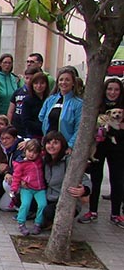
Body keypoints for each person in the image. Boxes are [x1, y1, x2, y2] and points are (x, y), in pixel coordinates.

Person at [78, 78, 124, 224]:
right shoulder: (98, 106)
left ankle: (116, 213)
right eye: (110, 89)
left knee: (117, 180)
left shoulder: (122, 107)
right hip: (98, 148)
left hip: (118, 149)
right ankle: (92, 211)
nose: (112, 92)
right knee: (96, 179)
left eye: (116, 89)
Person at [41, 131, 91, 228]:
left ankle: (55, 221)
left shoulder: (69, 160)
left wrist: (84, 190)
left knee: (48, 212)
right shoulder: (45, 160)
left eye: (55, 143)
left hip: (65, 200)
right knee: (21, 200)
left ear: (62, 145)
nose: (51, 146)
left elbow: (85, 179)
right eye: (48, 143)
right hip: (49, 197)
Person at [38, 67, 83, 148]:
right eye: (61, 79)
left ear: (73, 83)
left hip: (66, 146)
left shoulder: (78, 104)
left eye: (67, 80)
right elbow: (41, 117)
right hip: (49, 144)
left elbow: (79, 128)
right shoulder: (50, 100)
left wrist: (70, 146)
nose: (64, 82)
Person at [10, 139, 46, 235]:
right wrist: (14, 189)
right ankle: (21, 223)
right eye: (29, 151)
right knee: (25, 204)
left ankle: (38, 223)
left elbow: (44, 150)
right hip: (27, 188)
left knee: (42, 205)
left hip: (40, 188)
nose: (31, 154)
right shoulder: (21, 163)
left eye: (35, 152)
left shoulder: (39, 160)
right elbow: (16, 176)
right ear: (25, 151)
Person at [7, 67, 41, 136]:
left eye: (31, 79)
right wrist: (9, 125)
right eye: (27, 78)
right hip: (16, 126)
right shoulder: (17, 92)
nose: (28, 81)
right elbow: (10, 111)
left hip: (30, 128)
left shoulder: (37, 95)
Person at [21, 72, 49, 139]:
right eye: (36, 83)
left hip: (48, 135)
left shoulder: (50, 99)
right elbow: (26, 121)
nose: (39, 86)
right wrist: (41, 127)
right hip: (32, 135)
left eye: (42, 83)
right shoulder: (27, 100)